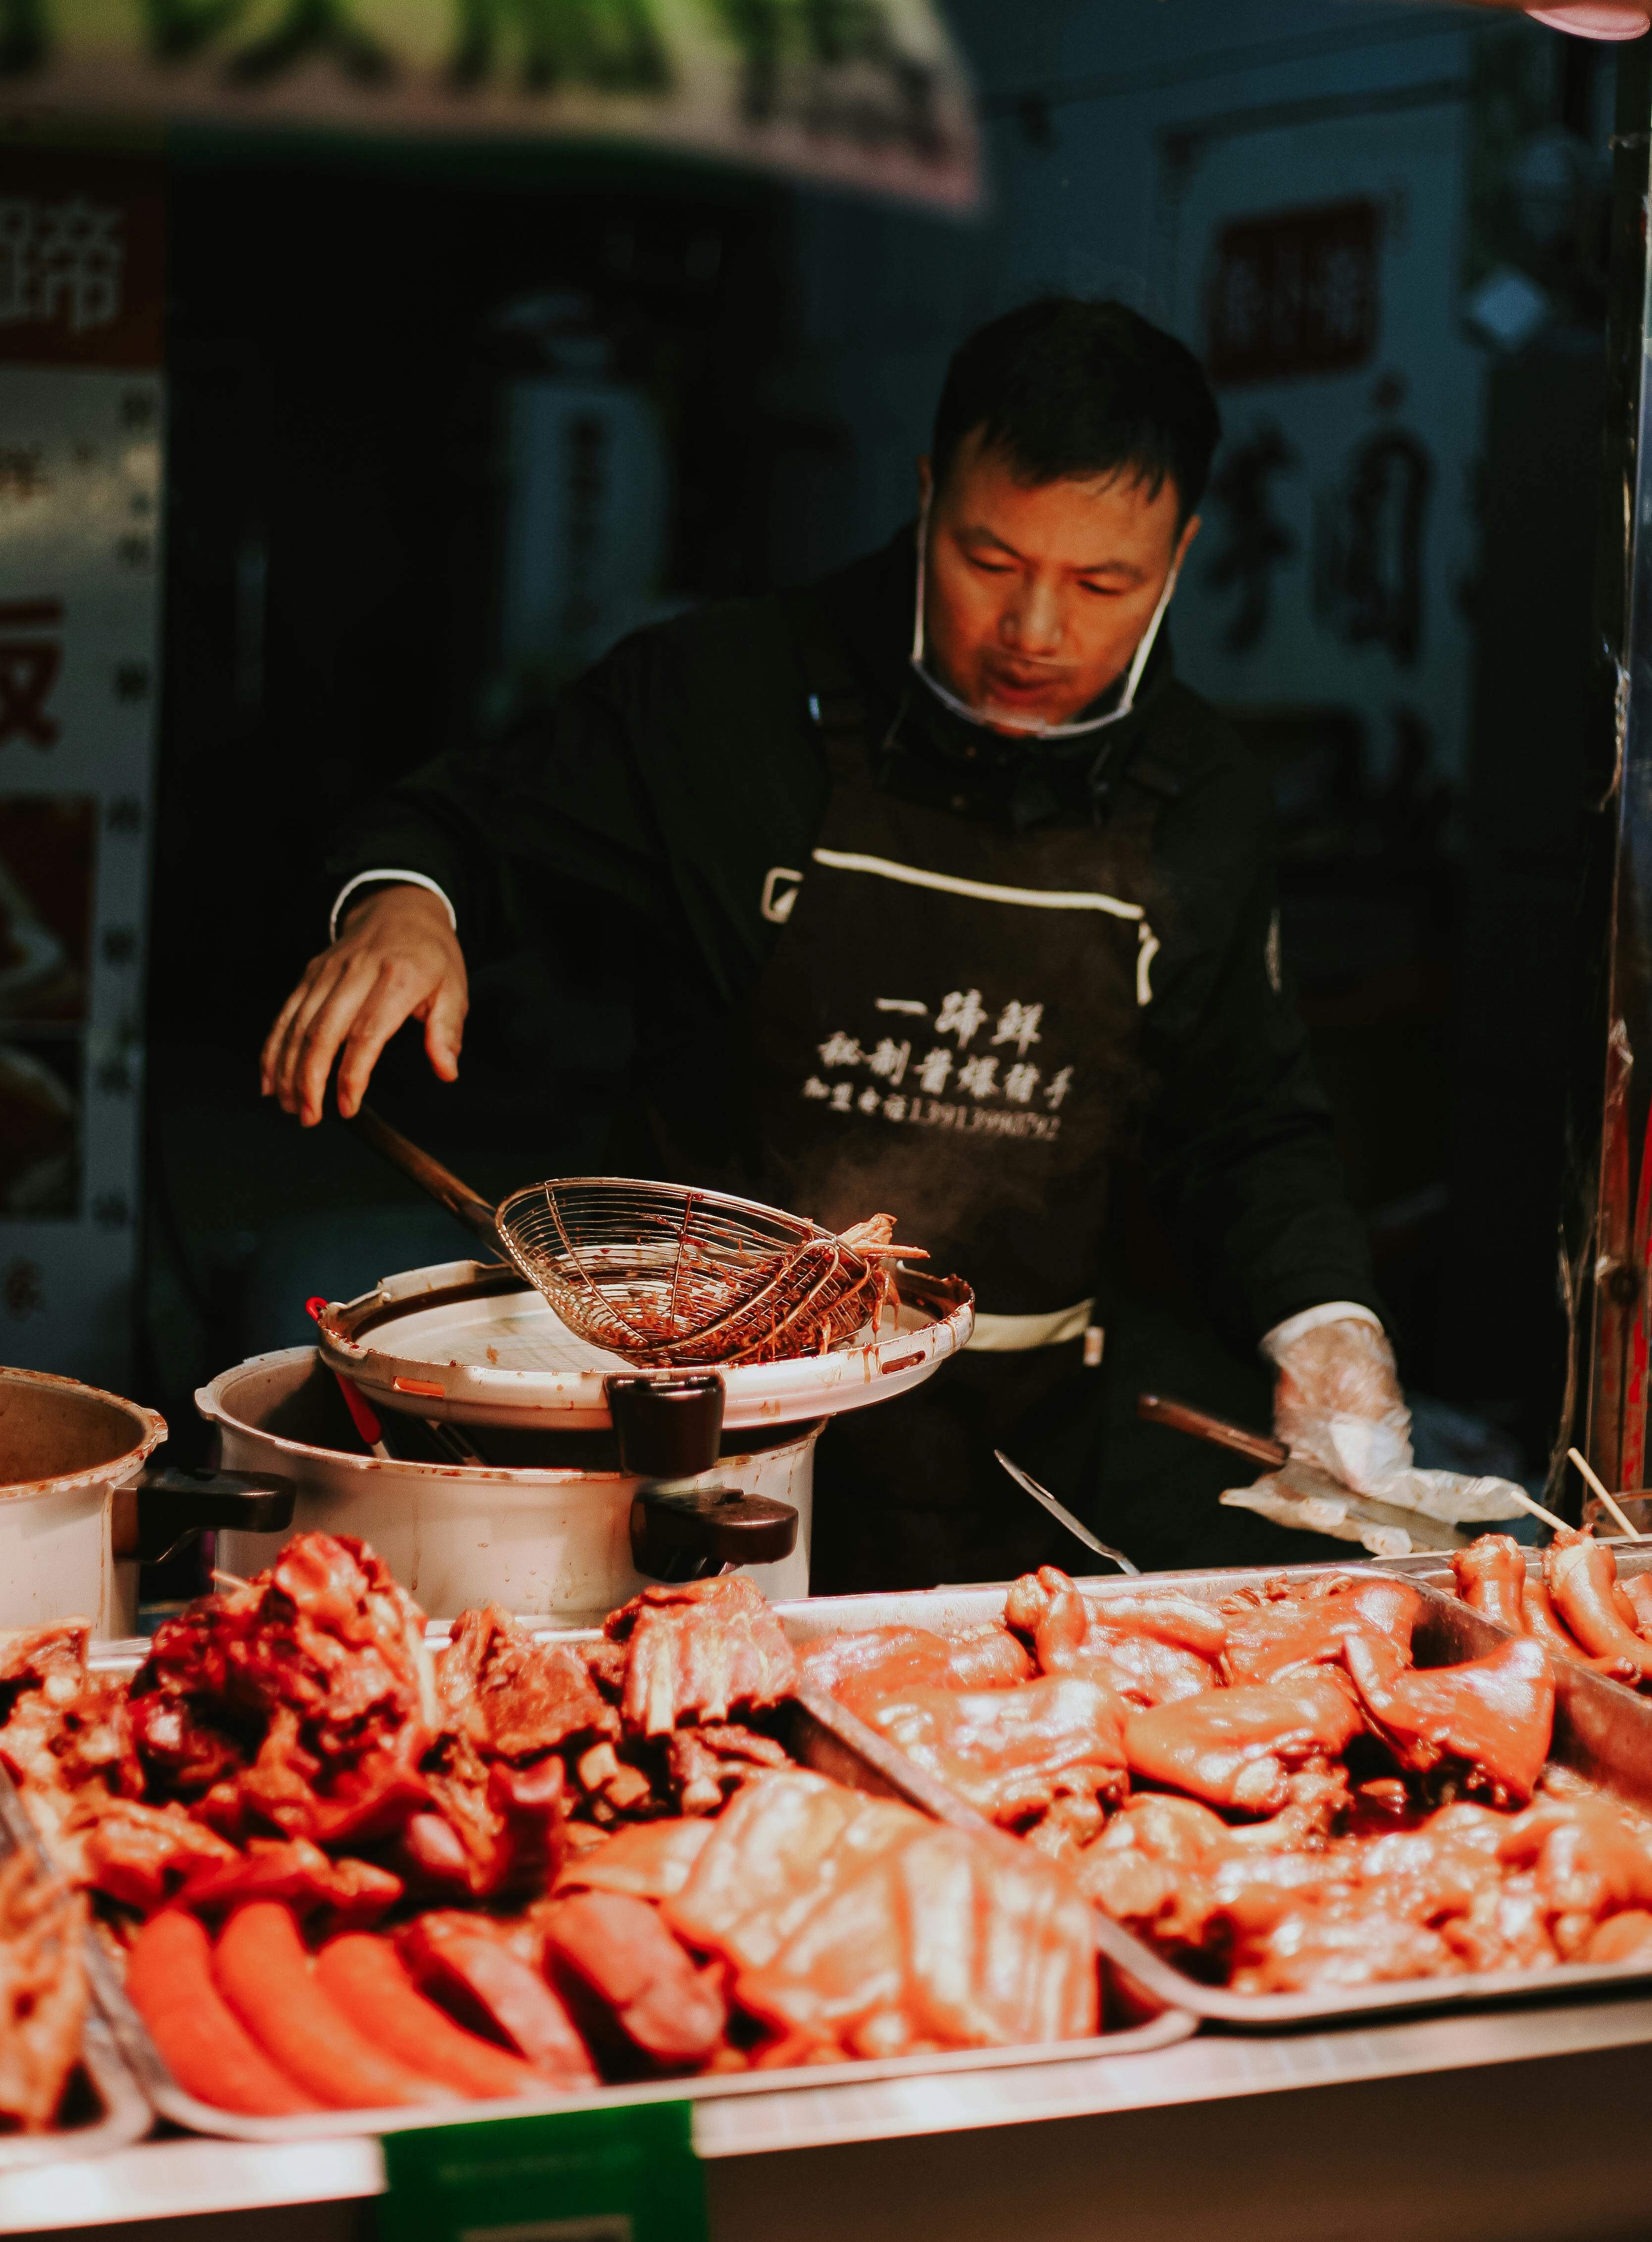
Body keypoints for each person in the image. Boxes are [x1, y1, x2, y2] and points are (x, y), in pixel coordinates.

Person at [262, 298, 1514, 1589]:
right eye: (988, 558)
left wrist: (1323, 1327)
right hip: (683, 1445)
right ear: (925, 496)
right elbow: (457, 821)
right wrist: (403, 906)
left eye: (1102, 584)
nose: (1035, 629)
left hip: (1003, 1476)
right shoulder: (725, 696)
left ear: (1182, 554)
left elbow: (1240, 1121)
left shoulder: (1203, 798)